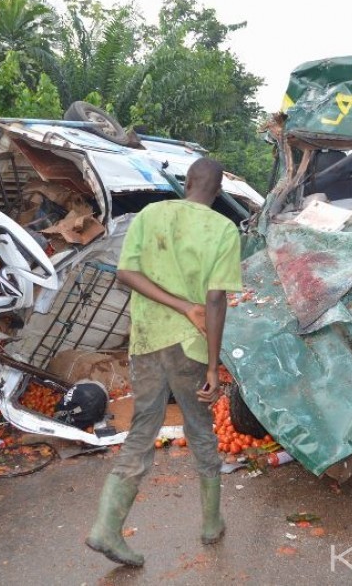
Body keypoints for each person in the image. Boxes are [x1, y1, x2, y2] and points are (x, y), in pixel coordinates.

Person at [86, 157, 243, 567]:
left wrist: (173, 305)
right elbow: (213, 301)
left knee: (142, 428)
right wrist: (212, 365)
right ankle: (211, 523)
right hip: (190, 346)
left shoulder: (151, 214)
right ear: (218, 190)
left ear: (187, 182)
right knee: (200, 428)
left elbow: (126, 273)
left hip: (146, 340)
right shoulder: (223, 230)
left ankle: (106, 526)